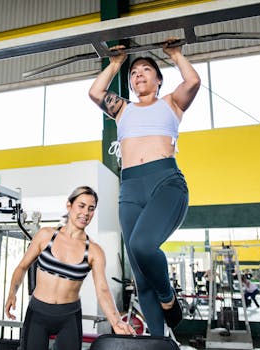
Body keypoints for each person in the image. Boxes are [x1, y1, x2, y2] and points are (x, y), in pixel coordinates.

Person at [88, 38, 200, 336]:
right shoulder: (122, 109)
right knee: (140, 273)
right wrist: (115, 65)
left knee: (141, 245)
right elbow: (96, 92)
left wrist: (175, 55)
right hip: (131, 189)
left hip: (165, 182)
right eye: (134, 72)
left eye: (146, 69)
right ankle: (157, 339)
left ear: (158, 80)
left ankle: (168, 297)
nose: (138, 74)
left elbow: (193, 80)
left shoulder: (172, 103)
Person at [4, 186, 135, 350]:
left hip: (69, 317)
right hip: (38, 312)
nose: (86, 213)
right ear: (69, 205)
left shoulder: (94, 251)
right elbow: (22, 266)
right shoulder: (46, 235)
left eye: (91, 208)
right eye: (81, 206)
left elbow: (102, 289)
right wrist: (11, 292)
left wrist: (116, 321)